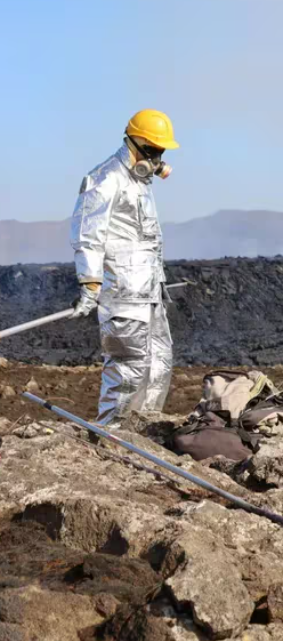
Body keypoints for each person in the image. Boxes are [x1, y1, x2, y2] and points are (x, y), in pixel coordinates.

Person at [70, 110, 180, 426]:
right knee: (127, 368)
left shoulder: (141, 182)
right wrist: (90, 283)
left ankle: (144, 431)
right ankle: (112, 437)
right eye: (153, 150)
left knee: (158, 363)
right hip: (122, 294)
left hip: (149, 292)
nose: (158, 158)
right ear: (135, 143)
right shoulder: (105, 179)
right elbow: (87, 234)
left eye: (162, 152)